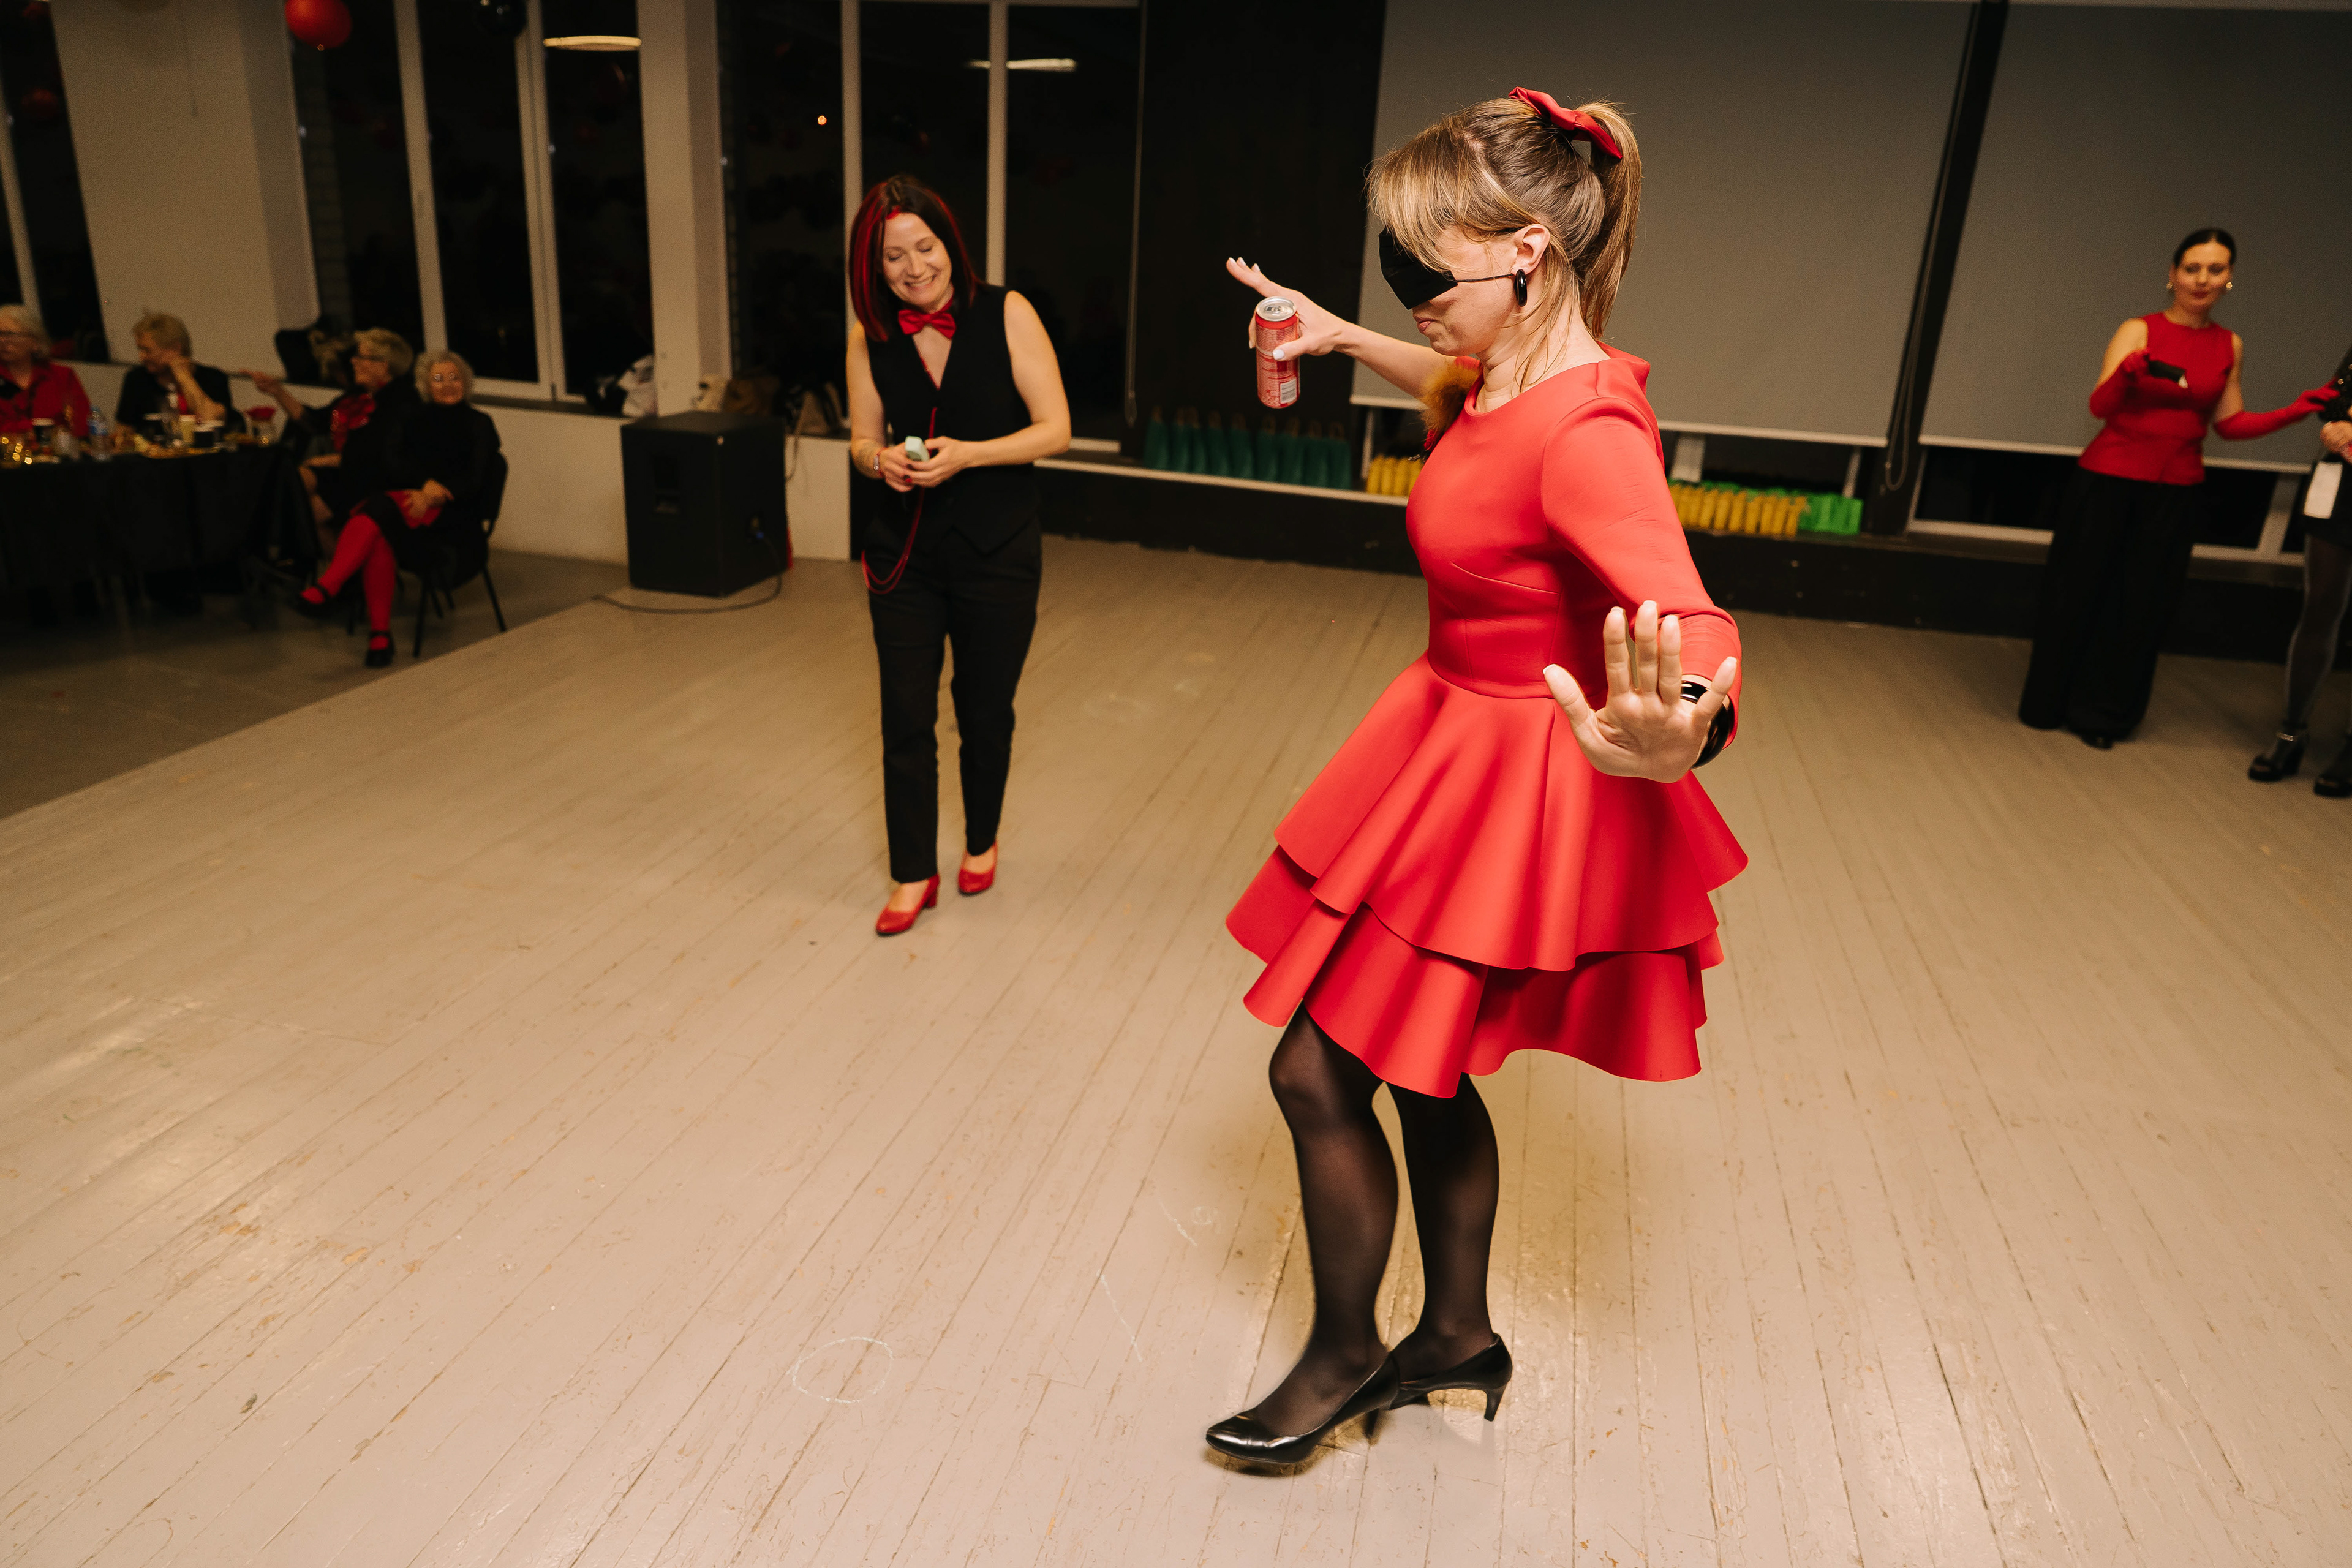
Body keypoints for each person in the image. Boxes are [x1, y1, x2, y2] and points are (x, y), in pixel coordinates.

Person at [1204, 88, 1742, 1464]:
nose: (1414, 300)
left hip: (1504, 780)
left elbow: (1696, 622)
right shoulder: (1507, 373)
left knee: (1317, 1071)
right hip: (1445, 748)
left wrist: (1685, 724)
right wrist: (1345, 337)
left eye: (1424, 275)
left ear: (1525, 255)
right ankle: (1454, 1334)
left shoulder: (1588, 431)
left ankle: (1345, 1354)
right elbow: (1463, 400)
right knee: (1424, 1068)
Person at [843, 175, 1072, 935]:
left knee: (984, 709)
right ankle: (912, 872)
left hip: (998, 550)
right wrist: (879, 461)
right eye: (894, 257)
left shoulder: (1008, 312)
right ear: (874, 267)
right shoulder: (869, 333)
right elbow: (861, 439)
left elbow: (1056, 429)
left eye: (926, 247)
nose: (914, 268)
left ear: (950, 243)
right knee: (904, 716)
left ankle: (982, 838)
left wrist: (969, 454)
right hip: (903, 555)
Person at [2018, 230, 2337, 748]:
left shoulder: (2229, 344)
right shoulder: (2138, 330)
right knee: (2076, 592)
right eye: (2192, 268)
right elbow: (2100, 407)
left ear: (2229, 278)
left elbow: (2229, 425)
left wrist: (2297, 410)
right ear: (2173, 274)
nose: (2202, 279)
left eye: (2216, 269)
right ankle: (2046, 703)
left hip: (2176, 490)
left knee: (2141, 607)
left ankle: (2103, 716)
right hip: (2107, 480)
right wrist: (2126, 375)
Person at [289, 350, 500, 668]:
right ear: (426, 385)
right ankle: (379, 637)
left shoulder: (480, 423)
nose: (447, 384)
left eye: (454, 378)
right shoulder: (412, 418)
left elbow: (476, 479)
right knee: (379, 530)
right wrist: (423, 487)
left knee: (376, 513)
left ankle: (333, 588)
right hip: (410, 506)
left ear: (466, 383)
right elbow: (393, 462)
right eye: (438, 379)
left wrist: (437, 495)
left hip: (455, 519)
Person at [2248, 346, 2352, 794]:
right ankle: (2291, 733)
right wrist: (2338, 424)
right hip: (2342, 485)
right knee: (2319, 608)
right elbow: (2334, 399)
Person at [244, 328, 418, 532]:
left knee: (308, 510)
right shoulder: (357, 395)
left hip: (376, 480)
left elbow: (377, 456)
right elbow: (316, 422)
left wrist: (325, 460)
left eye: (361, 357)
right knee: (293, 479)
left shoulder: (402, 402)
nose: (353, 361)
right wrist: (277, 390)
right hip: (349, 472)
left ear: (382, 365)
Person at [113, 311, 238, 433]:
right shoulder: (136, 379)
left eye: (147, 350)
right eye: (140, 350)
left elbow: (212, 420)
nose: (141, 357)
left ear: (175, 349)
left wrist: (184, 377)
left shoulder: (214, 378)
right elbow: (123, 430)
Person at [0, 304, 91, 437]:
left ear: (35, 342)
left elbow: (82, 425)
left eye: (10, 334)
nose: (2, 340)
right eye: (0, 334)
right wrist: (33, 428)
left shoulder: (62, 375)